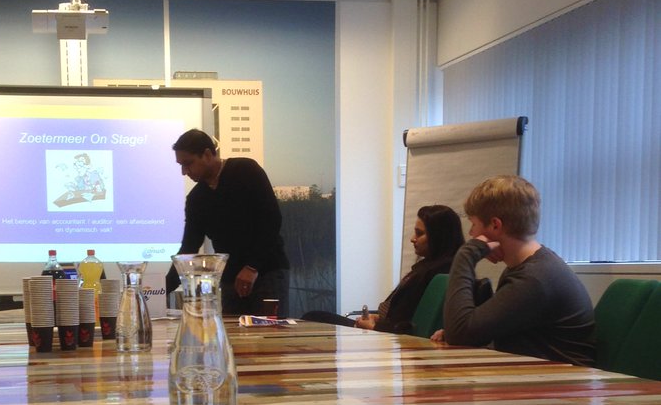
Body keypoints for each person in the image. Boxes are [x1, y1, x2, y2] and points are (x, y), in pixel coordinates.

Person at [436, 175, 596, 366]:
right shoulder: (530, 268)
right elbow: (470, 331)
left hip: (563, 380)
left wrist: (465, 255)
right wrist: (460, 329)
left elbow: (460, 335)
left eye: (473, 224)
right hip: (541, 374)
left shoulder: (536, 278)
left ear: (495, 225)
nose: (471, 233)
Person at [165, 129, 290, 316]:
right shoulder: (196, 199)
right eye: (181, 166)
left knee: (268, 332)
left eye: (188, 163)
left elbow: (272, 220)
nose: (184, 172)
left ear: (207, 154)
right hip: (231, 281)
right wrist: (160, 290)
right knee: (232, 333)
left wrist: (252, 267)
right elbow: (189, 247)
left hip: (267, 272)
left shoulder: (246, 170)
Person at [303, 204, 465, 333]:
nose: (412, 239)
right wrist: (378, 318)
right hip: (383, 329)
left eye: (419, 233)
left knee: (313, 317)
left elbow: (407, 326)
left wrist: (374, 326)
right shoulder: (435, 270)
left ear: (438, 237)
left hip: (384, 334)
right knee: (314, 317)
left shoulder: (433, 275)